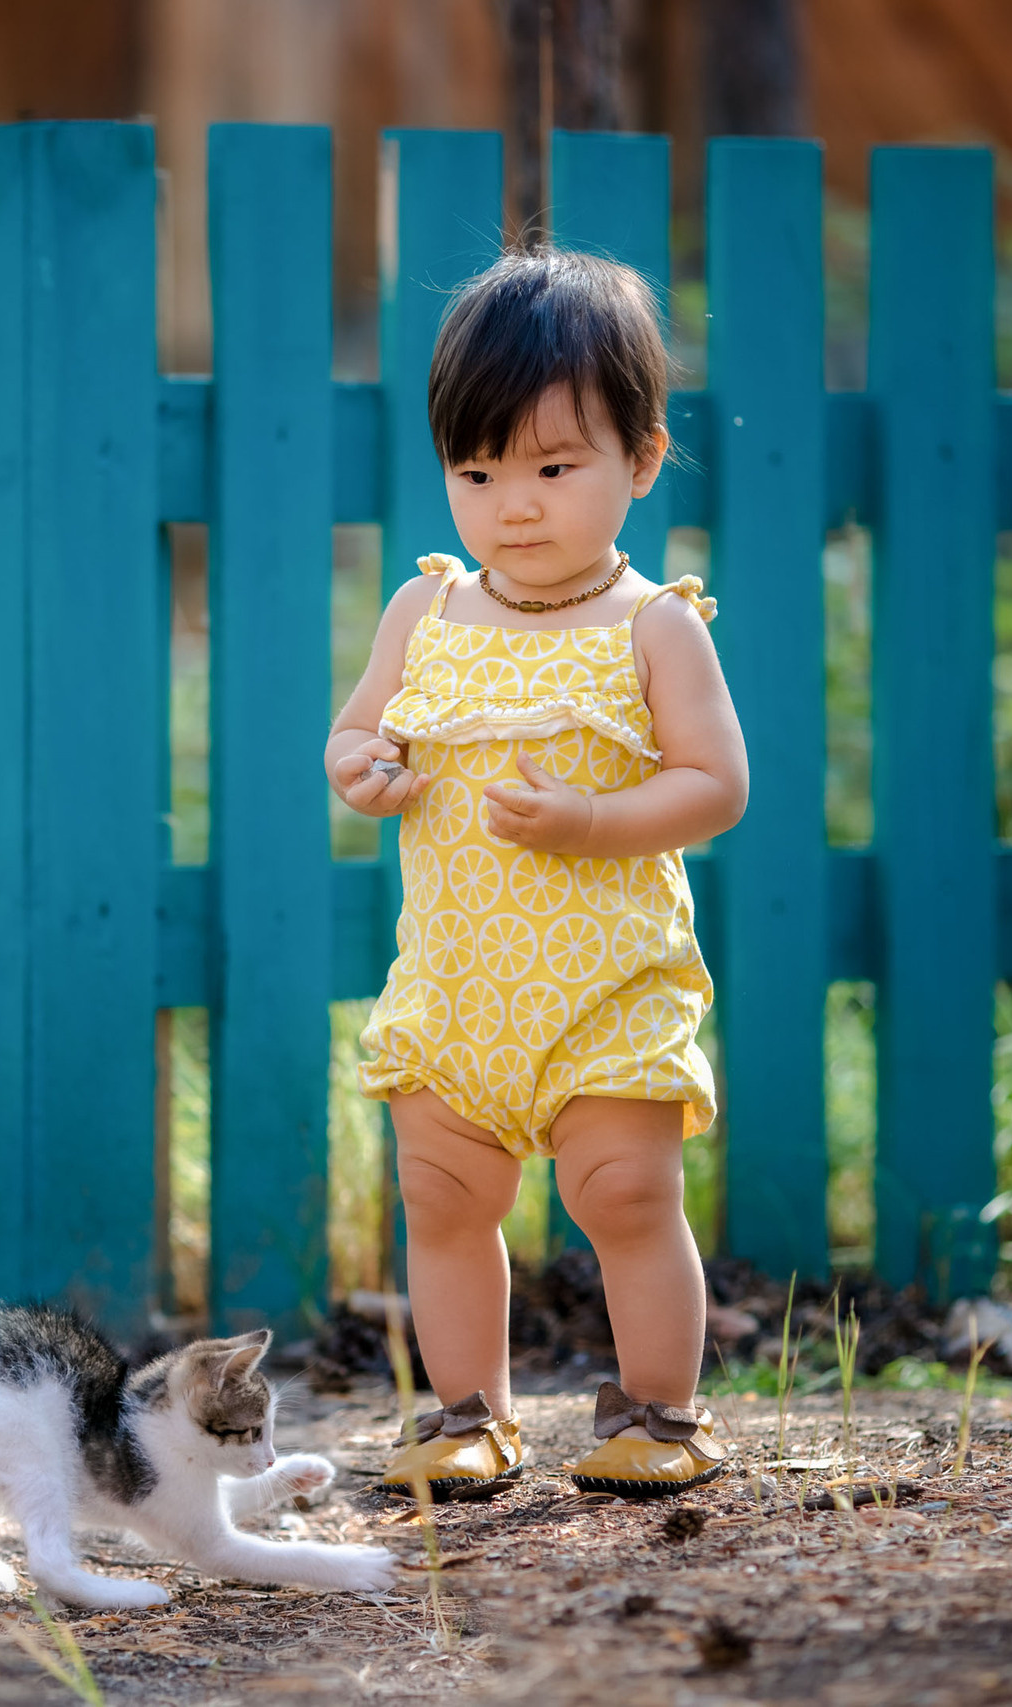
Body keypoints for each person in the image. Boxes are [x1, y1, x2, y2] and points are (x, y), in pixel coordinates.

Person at [326, 248, 748, 1502]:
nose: (515, 503)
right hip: (459, 983)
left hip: (606, 981)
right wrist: (366, 768)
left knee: (624, 1193)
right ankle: (466, 1412)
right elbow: (356, 732)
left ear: (641, 460)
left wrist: (593, 819)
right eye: (478, 470)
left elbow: (714, 786)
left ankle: (660, 1412)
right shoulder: (428, 613)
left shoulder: (652, 625)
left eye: (555, 468)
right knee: (442, 1197)